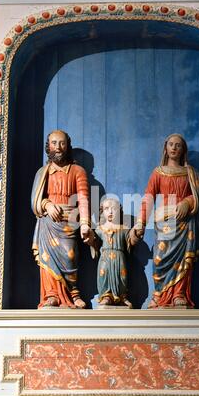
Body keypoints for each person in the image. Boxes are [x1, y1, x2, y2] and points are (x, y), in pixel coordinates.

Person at [136, 134, 199, 309]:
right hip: (164, 223)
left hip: (185, 224)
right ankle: (158, 294)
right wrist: (141, 223)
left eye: (178, 145)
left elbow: (198, 197)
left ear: (183, 150)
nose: (174, 148)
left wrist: (187, 203)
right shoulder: (158, 172)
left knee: (183, 261)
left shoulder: (190, 173)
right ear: (165, 148)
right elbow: (148, 198)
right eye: (171, 144)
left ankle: (179, 293)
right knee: (159, 259)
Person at [31, 130, 91, 309]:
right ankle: (51, 295)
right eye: (54, 143)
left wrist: (86, 223)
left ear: (68, 146)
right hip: (48, 223)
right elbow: (34, 200)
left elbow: (83, 199)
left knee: (70, 255)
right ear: (47, 146)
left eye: (62, 143)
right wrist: (47, 205)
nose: (58, 147)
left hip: (69, 222)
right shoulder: (43, 173)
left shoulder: (78, 171)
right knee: (47, 259)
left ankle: (73, 292)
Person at [85, 197, 141, 308]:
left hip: (120, 258)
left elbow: (130, 242)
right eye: (106, 209)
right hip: (105, 258)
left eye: (113, 209)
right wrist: (91, 240)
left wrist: (136, 233)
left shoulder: (124, 229)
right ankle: (106, 296)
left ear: (119, 211)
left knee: (122, 276)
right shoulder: (100, 229)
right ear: (102, 212)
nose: (110, 212)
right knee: (104, 275)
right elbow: (95, 244)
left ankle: (122, 297)